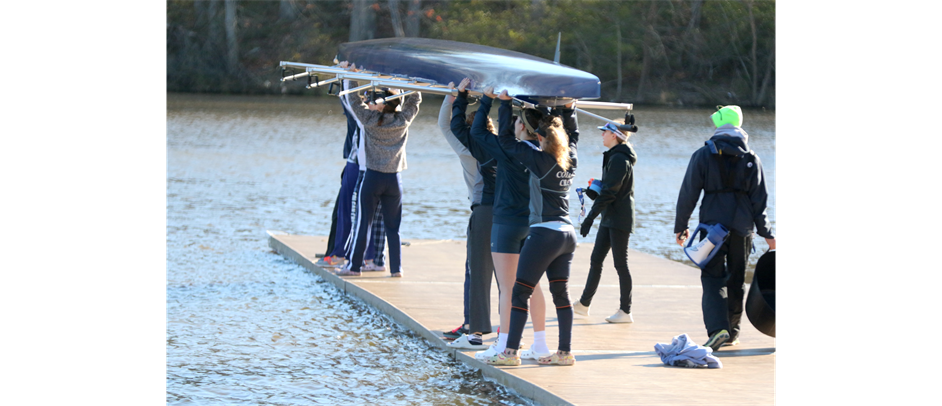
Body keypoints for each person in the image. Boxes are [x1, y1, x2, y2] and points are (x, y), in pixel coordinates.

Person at [485, 88, 580, 366]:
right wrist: (568, 109)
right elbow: (573, 137)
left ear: (540, 138)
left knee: (519, 291)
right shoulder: (569, 159)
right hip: (568, 234)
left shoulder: (540, 160)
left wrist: (504, 105)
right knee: (561, 293)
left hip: (545, 234)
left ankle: (510, 353)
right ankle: (565, 353)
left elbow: (505, 140)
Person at [673, 105, 776, 351]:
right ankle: (733, 332)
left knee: (712, 278)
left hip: (712, 229)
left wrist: (681, 226)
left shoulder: (703, 154)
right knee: (737, 280)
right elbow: (759, 202)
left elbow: (688, 193)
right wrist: (768, 234)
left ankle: (718, 328)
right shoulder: (752, 159)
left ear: (720, 125)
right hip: (742, 229)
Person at [469, 86, 549, 361]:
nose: (513, 123)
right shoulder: (546, 151)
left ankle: (504, 346)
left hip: (507, 223)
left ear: (523, 127)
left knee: (508, 287)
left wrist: (492, 101)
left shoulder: (508, 149)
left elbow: (478, 133)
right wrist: (563, 110)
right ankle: (540, 344)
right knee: (533, 285)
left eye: (517, 119)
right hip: (535, 224)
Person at [335, 61, 422, 277]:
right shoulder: (403, 120)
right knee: (393, 227)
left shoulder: (370, 120)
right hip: (394, 179)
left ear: (382, 105)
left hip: (373, 177)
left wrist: (350, 75)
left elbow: (352, 99)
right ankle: (396, 269)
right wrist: (413, 83)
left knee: (363, 222)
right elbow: (415, 101)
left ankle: (354, 267)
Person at [434, 80, 492, 347]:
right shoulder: (502, 147)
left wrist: (452, 96)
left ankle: (472, 325)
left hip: (482, 212)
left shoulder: (466, 150)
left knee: (474, 270)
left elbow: (445, 126)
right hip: (508, 214)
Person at [574, 119, 638, 324]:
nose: (601, 135)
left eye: (604, 132)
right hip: (610, 216)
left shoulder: (620, 159)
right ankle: (584, 305)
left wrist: (590, 218)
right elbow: (609, 191)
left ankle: (625, 311)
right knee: (596, 260)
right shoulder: (614, 156)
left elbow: (611, 193)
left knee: (621, 264)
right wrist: (596, 192)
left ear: (614, 136)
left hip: (619, 218)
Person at [321, 92, 388, 272]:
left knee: (355, 214)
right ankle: (370, 258)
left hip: (363, 168)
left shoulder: (366, 119)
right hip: (376, 170)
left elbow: (350, 102)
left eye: (371, 101)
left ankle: (351, 257)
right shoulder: (393, 120)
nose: (367, 103)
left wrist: (348, 80)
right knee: (369, 217)